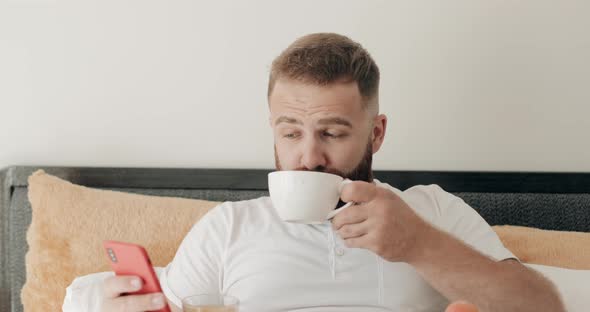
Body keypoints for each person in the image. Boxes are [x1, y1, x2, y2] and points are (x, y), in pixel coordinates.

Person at [94, 33, 564, 312]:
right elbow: (152, 300)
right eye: (291, 132)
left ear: (376, 134)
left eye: (333, 133)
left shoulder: (431, 210)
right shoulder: (230, 228)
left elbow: (543, 307)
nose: (309, 157)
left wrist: (419, 244)